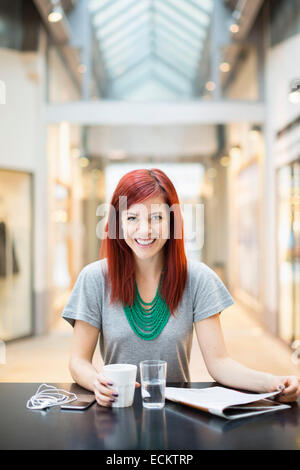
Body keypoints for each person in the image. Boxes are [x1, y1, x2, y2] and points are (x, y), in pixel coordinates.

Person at [62, 168, 300, 407]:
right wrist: (97, 383)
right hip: (117, 407)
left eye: (157, 217)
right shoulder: (94, 278)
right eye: (132, 218)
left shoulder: (199, 279)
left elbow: (220, 363)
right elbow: (78, 361)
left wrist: (274, 382)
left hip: (176, 411)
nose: (145, 230)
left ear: (172, 221)